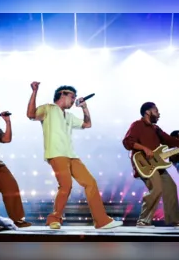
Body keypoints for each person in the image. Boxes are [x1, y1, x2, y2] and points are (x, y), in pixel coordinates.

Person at [27, 82, 122, 230]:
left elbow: (87, 124)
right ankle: (54, 219)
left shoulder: (69, 116)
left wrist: (84, 107)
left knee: (90, 182)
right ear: (62, 94)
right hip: (56, 154)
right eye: (72, 96)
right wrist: (35, 91)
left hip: (71, 155)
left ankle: (102, 221)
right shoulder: (48, 108)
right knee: (66, 185)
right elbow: (31, 115)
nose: (74, 100)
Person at [122, 102, 179, 228]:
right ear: (148, 112)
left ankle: (176, 220)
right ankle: (143, 220)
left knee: (171, 187)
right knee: (156, 188)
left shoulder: (156, 129)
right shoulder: (137, 125)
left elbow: (171, 141)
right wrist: (144, 148)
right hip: (144, 164)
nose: (159, 114)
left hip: (157, 164)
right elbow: (127, 142)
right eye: (156, 111)